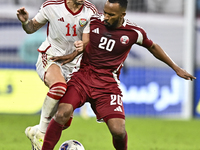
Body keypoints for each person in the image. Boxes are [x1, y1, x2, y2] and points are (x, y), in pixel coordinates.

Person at [41, 0, 196, 150]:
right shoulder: (94, 20)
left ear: (122, 14)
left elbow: (153, 46)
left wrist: (176, 68)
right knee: (62, 113)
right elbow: (74, 34)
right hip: (82, 78)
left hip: (107, 86)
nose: (105, 17)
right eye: (105, 12)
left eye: (111, 15)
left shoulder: (134, 32)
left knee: (119, 131)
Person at [16, 0, 98, 149]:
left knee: (64, 120)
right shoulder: (52, 6)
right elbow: (31, 28)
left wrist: (83, 46)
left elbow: (86, 41)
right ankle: (40, 134)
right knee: (59, 87)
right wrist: (25, 22)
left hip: (74, 64)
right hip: (51, 57)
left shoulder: (90, 11)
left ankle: (35, 130)